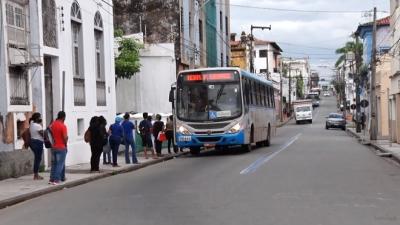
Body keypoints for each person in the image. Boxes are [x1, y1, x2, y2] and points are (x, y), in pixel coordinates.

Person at [49, 111, 68, 185]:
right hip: (61, 147)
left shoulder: (52, 124)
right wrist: (66, 142)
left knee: (54, 164)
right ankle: (56, 180)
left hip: (53, 147)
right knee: (60, 164)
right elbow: (65, 138)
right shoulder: (63, 126)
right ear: (63, 117)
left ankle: (51, 179)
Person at [29, 112, 44, 180]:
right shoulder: (38, 126)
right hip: (38, 142)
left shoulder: (31, 124)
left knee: (37, 158)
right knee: (38, 159)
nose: (41, 118)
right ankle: (36, 175)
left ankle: (36, 174)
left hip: (32, 142)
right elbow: (43, 134)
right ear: (37, 118)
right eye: (40, 117)